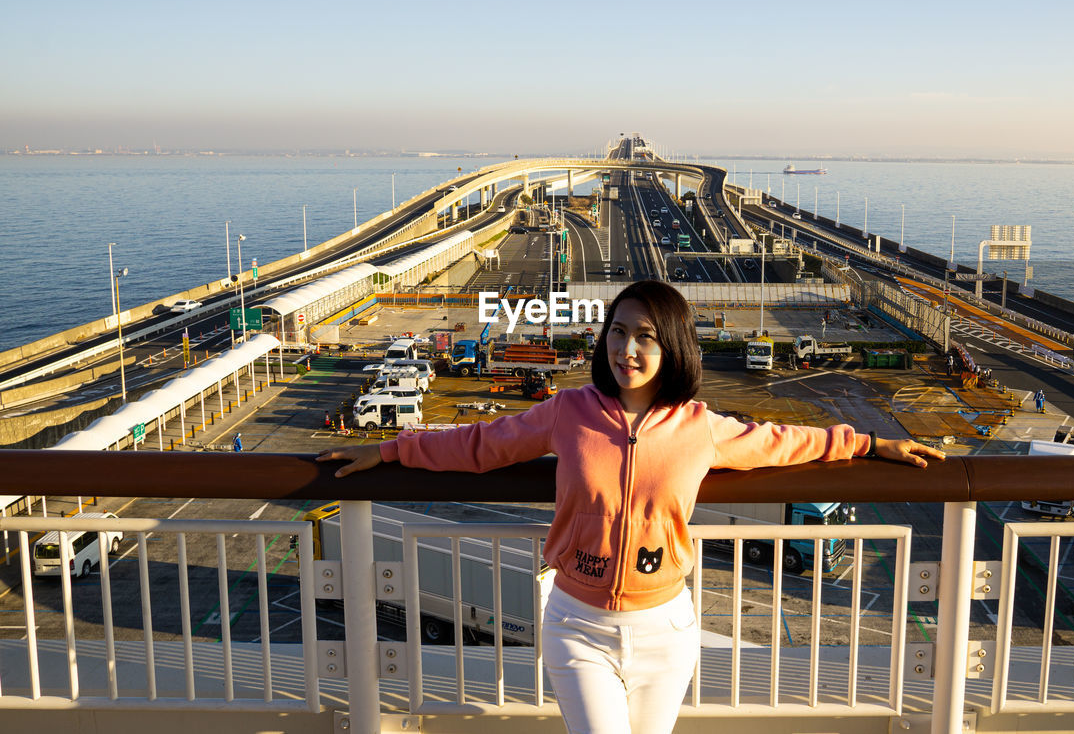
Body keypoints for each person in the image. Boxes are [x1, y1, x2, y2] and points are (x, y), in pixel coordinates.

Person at [318, 280, 943, 734]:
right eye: (619, 331)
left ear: (672, 346)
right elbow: (483, 444)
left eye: (646, 336)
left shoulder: (700, 426)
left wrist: (866, 442)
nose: (628, 349)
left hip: (666, 629)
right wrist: (395, 449)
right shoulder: (569, 411)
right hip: (577, 625)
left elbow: (784, 443)